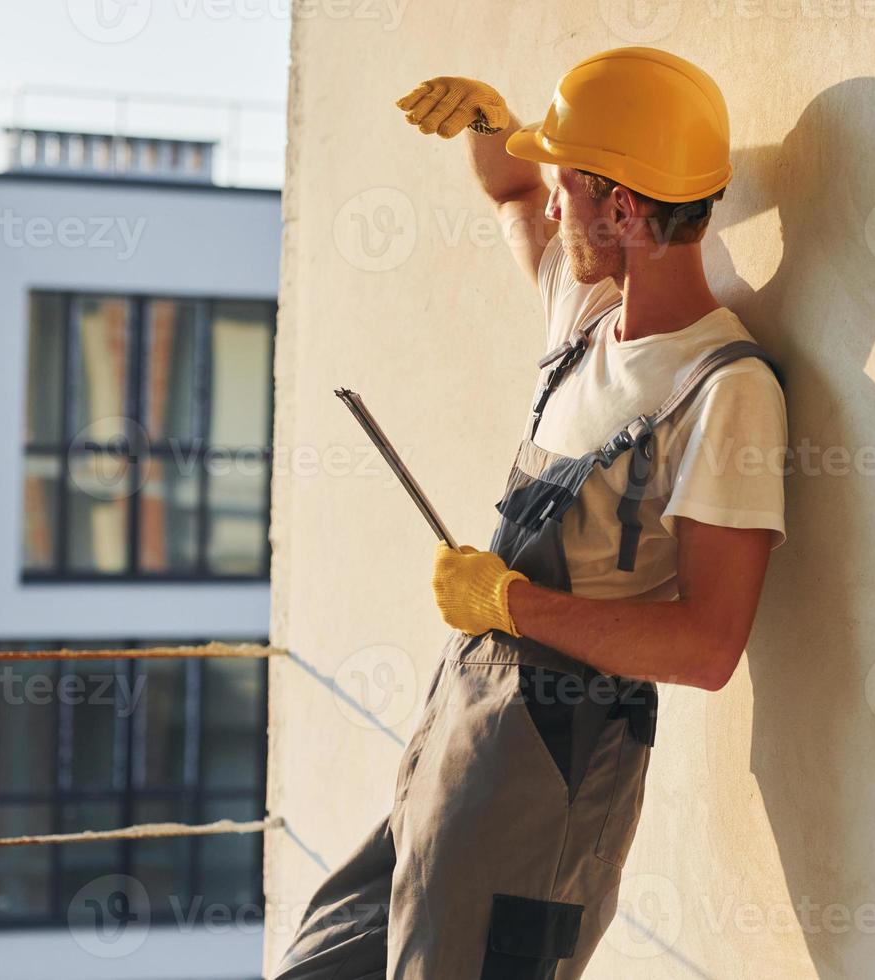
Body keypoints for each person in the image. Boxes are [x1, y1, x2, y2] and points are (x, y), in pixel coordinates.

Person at [274, 46, 789, 979]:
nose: (551, 204)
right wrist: (487, 122)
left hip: (550, 770)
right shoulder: (585, 315)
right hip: (459, 730)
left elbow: (709, 646)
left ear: (623, 209)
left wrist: (510, 607)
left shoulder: (724, 391)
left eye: (568, 187)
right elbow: (511, 195)